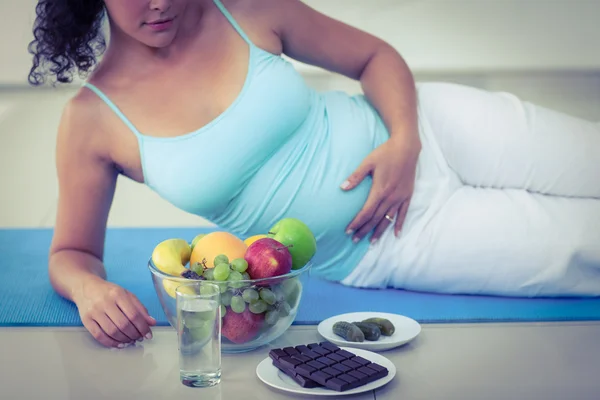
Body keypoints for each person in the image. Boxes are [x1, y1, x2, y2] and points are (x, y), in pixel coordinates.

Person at [28, 0, 600, 349]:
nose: (160, 3)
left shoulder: (244, 7)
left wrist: (404, 141)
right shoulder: (92, 120)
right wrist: (90, 289)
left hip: (435, 128)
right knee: (585, 247)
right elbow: (71, 252)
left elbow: (374, 57)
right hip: (392, 242)